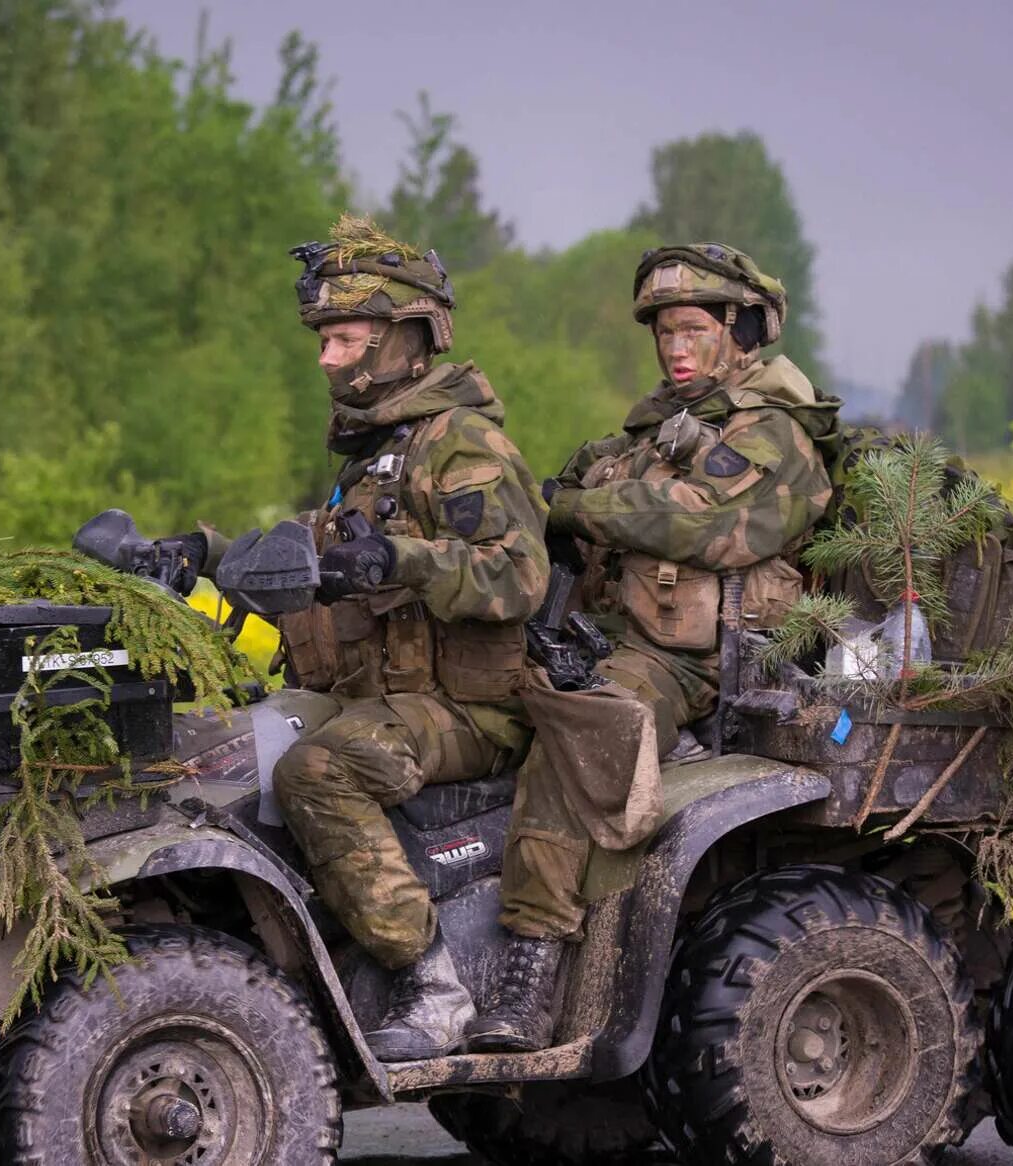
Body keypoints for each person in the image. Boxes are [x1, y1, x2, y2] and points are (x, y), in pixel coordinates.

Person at [466, 243, 840, 1053]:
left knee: (579, 731)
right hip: (602, 636)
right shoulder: (647, 434)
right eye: (664, 332)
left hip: (699, 662)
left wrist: (578, 508)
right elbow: (551, 507)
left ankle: (530, 969)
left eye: (693, 330)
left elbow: (706, 522)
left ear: (740, 332)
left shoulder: (776, 433)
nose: (675, 347)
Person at [254, 215, 550, 1062]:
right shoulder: (374, 451)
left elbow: (518, 576)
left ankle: (433, 983)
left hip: (471, 709)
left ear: (403, 340)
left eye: (343, 338)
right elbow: (322, 561)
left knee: (315, 768)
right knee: (226, 747)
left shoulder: (461, 444)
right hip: (385, 697)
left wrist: (404, 557)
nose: (326, 357)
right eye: (324, 339)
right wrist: (199, 556)